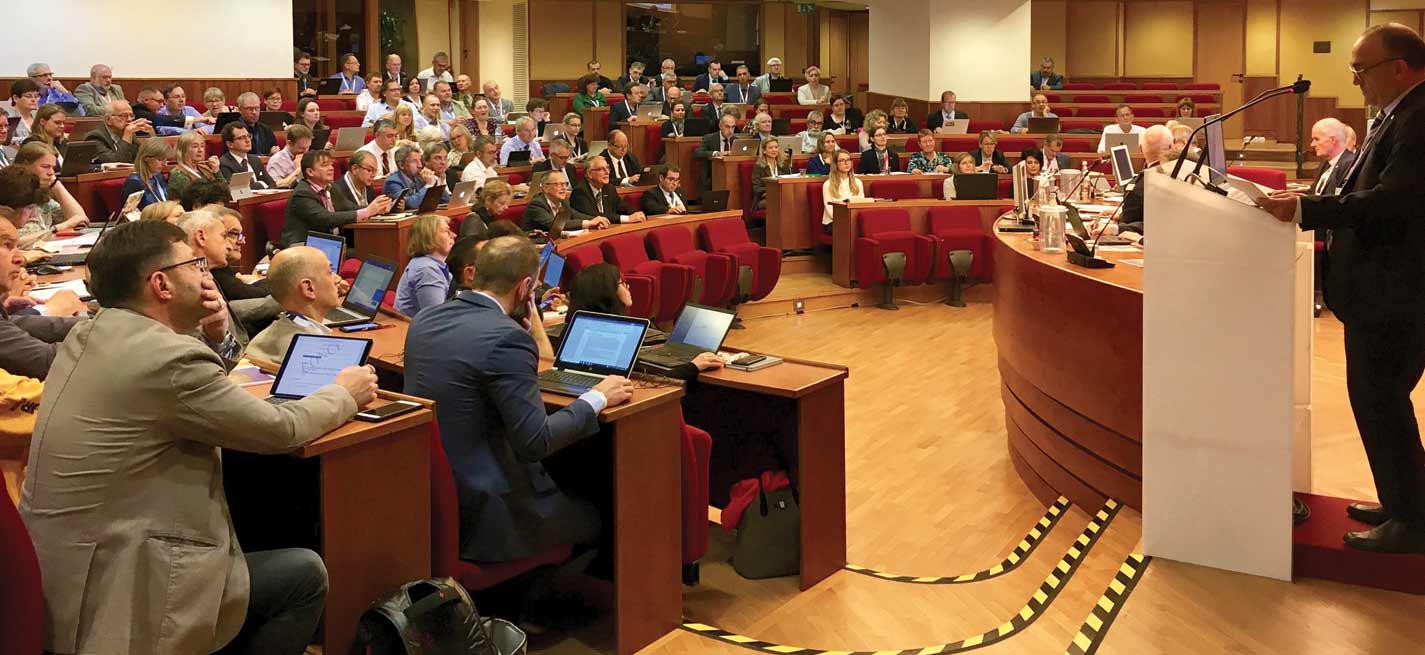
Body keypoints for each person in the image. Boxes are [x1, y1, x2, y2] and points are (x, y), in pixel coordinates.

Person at [18, 218, 375, 655]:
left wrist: (213, 333)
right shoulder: (168, 359)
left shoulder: (92, 331)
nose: (208, 277)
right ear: (161, 285)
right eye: (197, 265)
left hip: (67, 570)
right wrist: (345, 392)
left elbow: (191, 396)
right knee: (303, 574)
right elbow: (282, 429)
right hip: (121, 591)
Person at [1254, 24, 1425, 553]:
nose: (1355, 80)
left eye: (1362, 69)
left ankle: (1411, 522)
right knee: (1377, 401)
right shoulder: (1399, 112)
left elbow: (1392, 202)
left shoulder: (1420, 118)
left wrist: (1306, 208)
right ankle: (1403, 502)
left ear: (1399, 67)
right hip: (1379, 292)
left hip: (1395, 293)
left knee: (1381, 401)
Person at [406, 231, 637, 578]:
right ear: (524, 287)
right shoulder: (506, 338)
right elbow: (535, 442)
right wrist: (597, 397)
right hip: (492, 517)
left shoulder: (427, 319)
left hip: (434, 499)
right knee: (609, 506)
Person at [282, 150, 387, 246]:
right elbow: (325, 218)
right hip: (304, 248)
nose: (331, 168)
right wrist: (367, 211)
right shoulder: (302, 194)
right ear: (310, 172)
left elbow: (350, 207)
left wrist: (377, 209)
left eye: (331, 164)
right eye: (325, 165)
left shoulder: (331, 188)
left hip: (329, 244)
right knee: (368, 251)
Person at [11, 144, 89, 239]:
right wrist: (59, 228)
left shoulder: (41, 195)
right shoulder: (12, 194)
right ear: (25, 165)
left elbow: (80, 219)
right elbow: (17, 240)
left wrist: (55, 183)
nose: (51, 172)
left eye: (53, 168)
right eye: (45, 166)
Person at [393, 214, 454, 316]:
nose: (453, 235)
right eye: (446, 231)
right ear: (429, 237)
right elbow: (436, 318)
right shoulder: (427, 270)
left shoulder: (428, 263)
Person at [522, 170, 603, 237]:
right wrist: (589, 223)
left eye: (565, 184)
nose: (564, 188)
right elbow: (554, 225)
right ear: (545, 188)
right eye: (558, 184)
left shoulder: (564, 201)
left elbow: (575, 214)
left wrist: (595, 219)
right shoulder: (536, 204)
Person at [572, 156, 646, 224]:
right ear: (589, 174)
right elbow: (594, 216)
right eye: (601, 169)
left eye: (607, 168)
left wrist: (637, 214)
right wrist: (627, 219)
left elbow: (623, 207)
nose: (607, 172)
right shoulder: (580, 191)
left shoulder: (609, 189)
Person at [383, 143, 446, 210]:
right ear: (401, 165)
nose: (420, 165)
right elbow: (411, 204)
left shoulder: (419, 178)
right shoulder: (393, 182)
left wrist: (436, 182)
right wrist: (429, 185)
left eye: (420, 160)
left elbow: (445, 200)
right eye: (414, 161)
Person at [84, 99, 146, 164]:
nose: (129, 119)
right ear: (108, 119)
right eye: (123, 116)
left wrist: (152, 133)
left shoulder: (129, 133)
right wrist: (127, 135)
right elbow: (117, 164)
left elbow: (143, 158)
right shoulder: (95, 137)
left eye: (131, 115)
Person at [218, 123, 277, 190]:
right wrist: (260, 184)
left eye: (248, 136)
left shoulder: (255, 160)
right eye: (242, 138)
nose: (248, 140)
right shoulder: (224, 163)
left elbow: (272, 184)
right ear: (230, 144)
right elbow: (236, 190)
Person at [119, 138, 173, 209]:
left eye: (165, 160)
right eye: (160, 160)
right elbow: (130, 213)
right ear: (146, 158)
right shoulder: (134, 182)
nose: (165, 164)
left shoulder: (158, 177)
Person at [1308, 117, 1355, 196]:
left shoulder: (1349, 165)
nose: (1312, 144)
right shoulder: (1325, 163)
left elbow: (1337, 200)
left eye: (1316, 139)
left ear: (1332, 140)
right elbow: (1314, 194)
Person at [822, 149, 865, 231]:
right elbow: (830, 210)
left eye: (848, 160)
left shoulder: (858, 182)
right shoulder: (828, 184)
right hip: (834, 222)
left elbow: (861, 205)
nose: (846, 163)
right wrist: (847, 220)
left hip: (854, 220)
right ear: (835, 164)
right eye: (842, 160)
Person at [695, 114, 739, 189]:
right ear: (720, 126)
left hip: (731, 177)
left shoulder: (736, 140)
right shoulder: (709, 138)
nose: (730, 131)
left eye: (733, 127)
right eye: (727, 127)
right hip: (712, 178)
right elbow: (697, 153)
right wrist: (715, 153)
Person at [266, 124, 314, 188]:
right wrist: (298, 170)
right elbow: (274, 186)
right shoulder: (276, 160)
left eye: (308, 147)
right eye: (302, 148)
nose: (305, 151)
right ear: (290, 143)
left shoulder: (310, 156)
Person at [751, 139, 789, 209]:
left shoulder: (783, 165)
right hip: (763, 198)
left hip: (781, 195)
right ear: (764, 151)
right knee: (778, 200)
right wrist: (772, 189)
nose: (774, 150)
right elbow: (756, 189)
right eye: (770, 148)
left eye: (776, 147)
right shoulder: (758, 167)